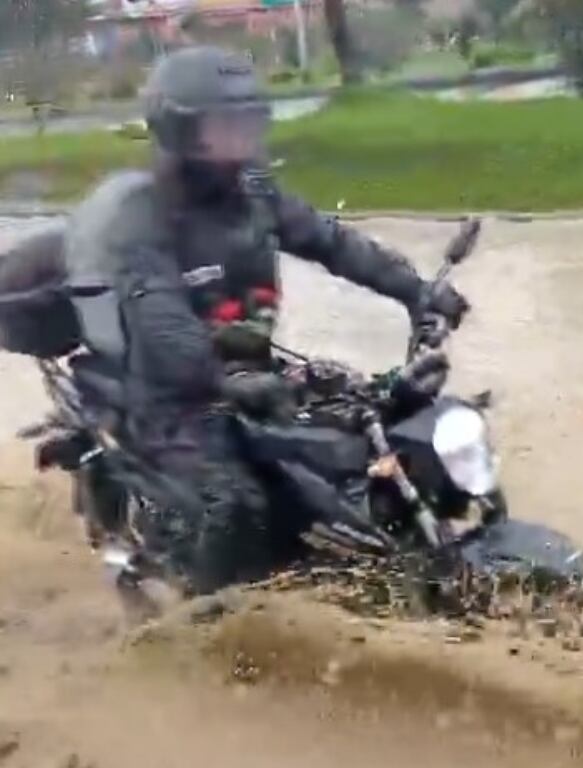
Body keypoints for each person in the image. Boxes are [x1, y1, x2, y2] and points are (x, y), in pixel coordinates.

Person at [61, 46, 469, 595]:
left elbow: (332, 242)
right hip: (172, 398)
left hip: (256, 375)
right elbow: (162, 322)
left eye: (248, 123)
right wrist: (223, 380)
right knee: (236, 505)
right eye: (223, 128)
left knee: (370, 450)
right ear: (180, 133)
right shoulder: (144, 218)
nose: (241, 141)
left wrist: (417, 293)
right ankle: (203, 619)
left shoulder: (253, 190)